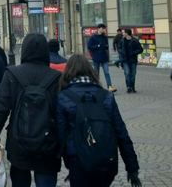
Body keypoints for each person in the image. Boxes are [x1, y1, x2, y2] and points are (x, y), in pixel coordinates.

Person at [0, 33, 62, 187]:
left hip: (19, 142)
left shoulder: (12, 74)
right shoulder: (57, 77)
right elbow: (63, 115)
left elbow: (0, 110)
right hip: (48, 144)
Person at [56, 54, 141, 187]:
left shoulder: (63, 97)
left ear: (67, 72)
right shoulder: (106, 96)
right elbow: (121, 133)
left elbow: (61, 135)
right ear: (90, 70)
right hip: (106, 159)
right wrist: (132, 168)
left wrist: (67, 161)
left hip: (78, 160)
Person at [87, 24, 116, 92]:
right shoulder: (93, 37)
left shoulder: (104, 37)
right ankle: (96, 86)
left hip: (104, 58)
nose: (104, 30)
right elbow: (89, 47)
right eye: (103, 29)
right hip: (96, 58)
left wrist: (106, 47)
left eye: (104, 29)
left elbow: (106, 46)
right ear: (99, 28)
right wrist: (98, 46)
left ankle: (110, 86)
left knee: (107, 72)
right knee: (96, 73)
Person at [118, 29, 144, 93]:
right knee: (127, 73)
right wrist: (122, 52)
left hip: (133, 60)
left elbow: (140, 49)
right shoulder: (122, 40)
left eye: (123, 32)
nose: (122, 33)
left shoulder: (134, 41)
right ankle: (129, 87)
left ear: (127, 33)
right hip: (125, 60)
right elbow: (119, 48)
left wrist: (134, 52)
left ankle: (132, 87)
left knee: (133, 74)